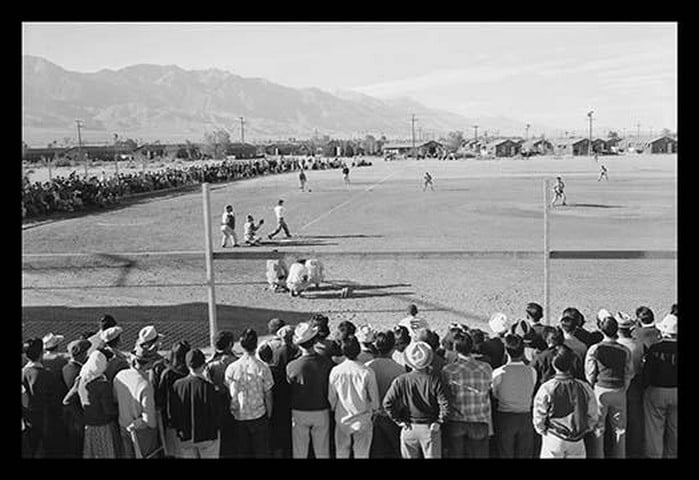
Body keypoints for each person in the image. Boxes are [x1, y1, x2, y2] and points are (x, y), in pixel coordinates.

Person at [384, 341, 449, 459]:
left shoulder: (401, 380)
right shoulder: (434, 380)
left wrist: (398, 420)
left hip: (409, 427)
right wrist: (439, 421)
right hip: (430, 428)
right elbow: (445, 404)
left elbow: (387, 403)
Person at [532, 346, 598, 458]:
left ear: (553, 364)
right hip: (577, 438)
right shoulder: (584, 386)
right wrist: (588, 427)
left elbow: (539, 413)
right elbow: (592, 412)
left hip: (554, 436)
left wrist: (541, 429)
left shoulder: (547, 388)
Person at [584, 315, 634, 458]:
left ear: (601, 329)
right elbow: (628, 372)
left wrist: (593, 386)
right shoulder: (624, 350)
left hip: (600, 389)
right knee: (619, 429)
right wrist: (624, 387)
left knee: (599, 428)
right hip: (618, 389)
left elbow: (590, 372)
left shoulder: (595, 349)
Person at [286, 322, 335, 458]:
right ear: (314, 341)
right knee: (322, 451)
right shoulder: (327, 363)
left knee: (299, 451)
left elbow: (290, 386)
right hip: (321, 409)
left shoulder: (292, 366)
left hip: (299, 411)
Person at [440, 332, 493, 458]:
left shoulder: (448, 370)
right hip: (480, 420)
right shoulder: (486, 368)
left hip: (457, 420)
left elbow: (445, 395)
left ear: (455, 349)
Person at [328, 335, 380, 458]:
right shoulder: (366, 371)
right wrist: (374, 410)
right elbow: (375, 400)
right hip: (363, 419)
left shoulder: (336, 371)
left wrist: (334, 409)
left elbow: (332, 397)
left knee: (341, 453)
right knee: (362, 454)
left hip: (342, 418)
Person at [226, 328, 274, 458]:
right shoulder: (263, 367)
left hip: (239, 415)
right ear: (256, 345)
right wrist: (269, 414)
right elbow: (268, 394)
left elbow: (229, 390)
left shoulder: (232, 368)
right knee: (262, 452)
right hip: (259, 415)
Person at [171, 349, 223, 459]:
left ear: (187, 365)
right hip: (207, 436)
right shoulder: (209, 387)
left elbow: (173, 413)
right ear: (204, 364)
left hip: (185, 437)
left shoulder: (177, 385)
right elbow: (216, 413)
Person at [491, 334, 537, 458]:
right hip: (526, 417)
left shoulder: (498, 372)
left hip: (505, 417)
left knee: (505, 453)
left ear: (506, 351)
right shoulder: (531, 371)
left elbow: (495, 394)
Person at [112, 344, 160, 458]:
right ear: (149, 363)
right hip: (141, 432)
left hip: (123, 426)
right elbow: (149, 421)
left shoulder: (119, 375)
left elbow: (115, 398)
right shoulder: (145, 385)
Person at [22, 337, 67, 458]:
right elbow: (55, 401)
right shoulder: (46, 375)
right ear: (41, 353)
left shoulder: (23, 372)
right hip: (46, 420)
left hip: (27, 420)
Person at [642, 314, 677, 458]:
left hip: (657, 390)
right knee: (674, 428)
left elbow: (647, 372)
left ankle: (655, 455)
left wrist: (644, 386)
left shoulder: (655, 348)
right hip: (676, 391)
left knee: (654, 428)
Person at [366, 330, 406, 458]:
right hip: (393, 418)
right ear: (393, 347)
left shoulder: (368, 367)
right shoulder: (400, 369)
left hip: (372, 417)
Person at [261, 324, 298, 458]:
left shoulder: (274, 363)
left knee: (277, 438)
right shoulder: (296, 351)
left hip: (277, 405)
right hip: (290, 401)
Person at [76, 349, 121, 458]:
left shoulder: (81, 381)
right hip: (104, 427)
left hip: (89, 426)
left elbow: (67, 400)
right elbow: (108, 410)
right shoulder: (103, 385)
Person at [615, 311, 645, 458]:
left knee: (618, 420)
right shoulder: (638, 345)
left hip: (620, 384)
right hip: (635, 385)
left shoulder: (618, 346)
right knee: (634, 419)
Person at [205, 331, 238, 458]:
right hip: (233, 403)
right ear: (230, 345)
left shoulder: (210, 364)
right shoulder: (235, 361)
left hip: (217, 406)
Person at [157, 341, 191, 458]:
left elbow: (160, 399)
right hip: (189, 421)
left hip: (171, 422)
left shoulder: (167, 374)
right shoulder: (189, 373)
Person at [62, 339, 92, 458]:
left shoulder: (65, 368)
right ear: (82, 354)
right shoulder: (81, 372)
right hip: (79, 415)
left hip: (69, 416)